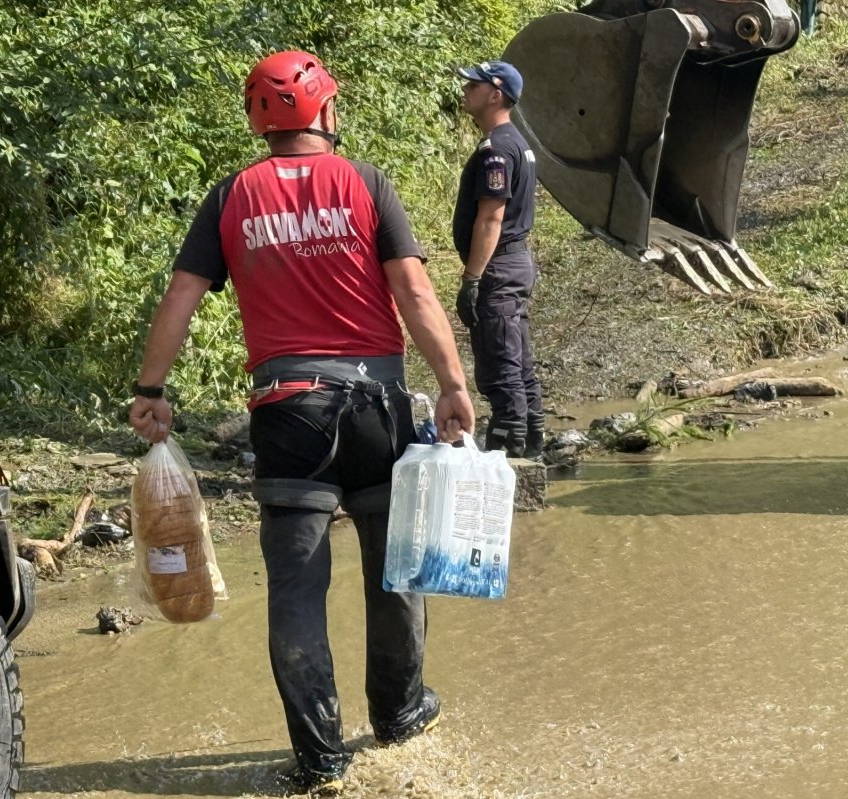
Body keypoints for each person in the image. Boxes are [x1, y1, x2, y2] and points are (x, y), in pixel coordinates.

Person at [128, 51, 475, 797]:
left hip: (289, 415)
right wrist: (452, 385)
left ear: (261, 119)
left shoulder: (232, 196)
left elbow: (184, 293)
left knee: (295, 588)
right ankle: (401, 715)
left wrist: (151, 389)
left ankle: (321, 761)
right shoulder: (364, 181)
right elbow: (413, 290)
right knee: (397, 572)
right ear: (323, 110)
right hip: (379, 408)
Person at [452, 60, 544, 458]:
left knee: (500, 363)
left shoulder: (498, 149)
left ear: (495, 94)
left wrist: (472, 278)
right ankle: (534, 444)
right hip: (513, 261)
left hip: (500, 266)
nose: (466, 90)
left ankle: (512, 458)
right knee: (517, 359)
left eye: (474, 85)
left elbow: (491, 216)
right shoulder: (513, 142)